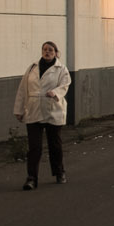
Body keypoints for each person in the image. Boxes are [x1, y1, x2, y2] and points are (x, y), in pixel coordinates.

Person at [14, 40, 71, 190]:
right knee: (34, 147)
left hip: (53, 109)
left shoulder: (61, 69)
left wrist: (56, 92)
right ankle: (31, 178)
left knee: (55, 145)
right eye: (45, 49)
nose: (47, 52)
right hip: (33, 110)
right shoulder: (32, 68)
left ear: (56, 53)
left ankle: (59, 172)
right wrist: (19, 110)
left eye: (50, 50)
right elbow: (23, 89)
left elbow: (65, 85)